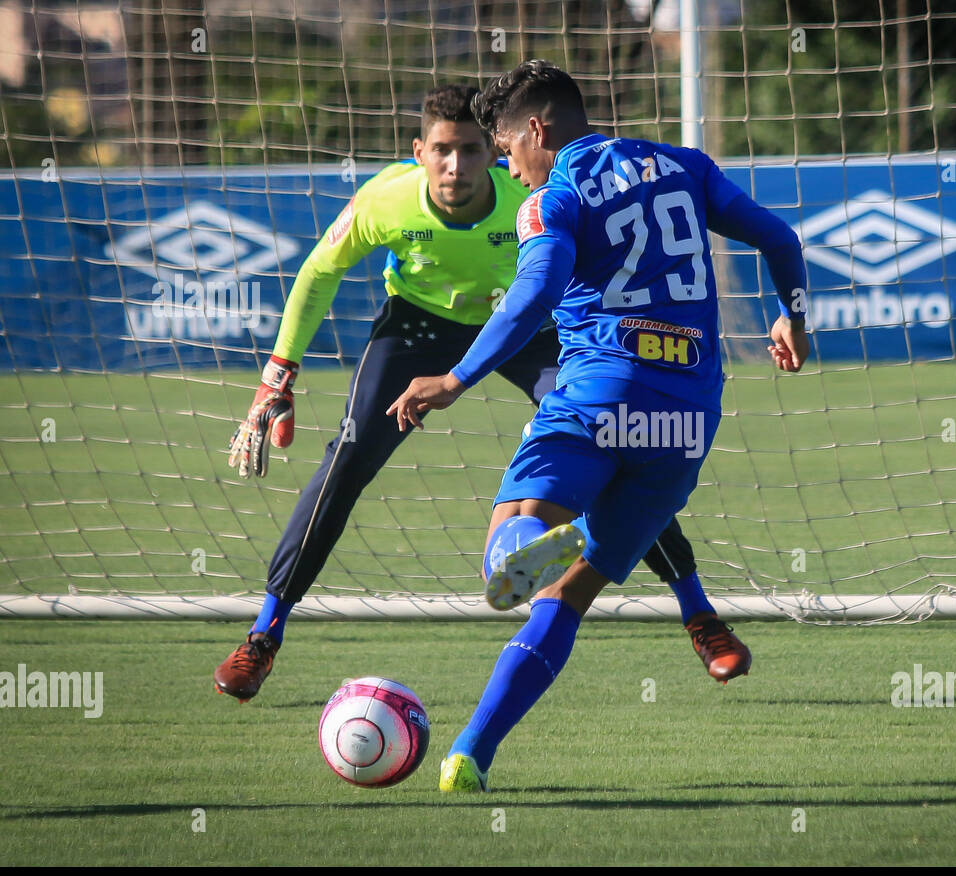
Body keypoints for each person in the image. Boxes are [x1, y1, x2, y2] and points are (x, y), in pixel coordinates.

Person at [216, 84, 747, 702]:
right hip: (418, 326)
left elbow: (543, 293)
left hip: (519, 329)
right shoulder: (385, 199)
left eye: (472, 151)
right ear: (419, 152)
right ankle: (263, 634)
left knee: (618, 434)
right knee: (347, 458)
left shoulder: (529, 200)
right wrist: (276, 377)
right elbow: (318, 270)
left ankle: (700, 614)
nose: (457, 166)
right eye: (442, 150)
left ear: (495, 153)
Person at [386, 61, 809, 791]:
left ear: (538, 131)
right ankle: (469, 754)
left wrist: (455, 378)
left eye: (506, 147)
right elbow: (778, 237)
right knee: (568, 598)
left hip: (600, 394)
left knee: (506, 549)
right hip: (685, 420)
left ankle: (549, 541)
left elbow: (536, 291)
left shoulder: (555, 195)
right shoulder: (685, 166)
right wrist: (794, 317)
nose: (508, 168)